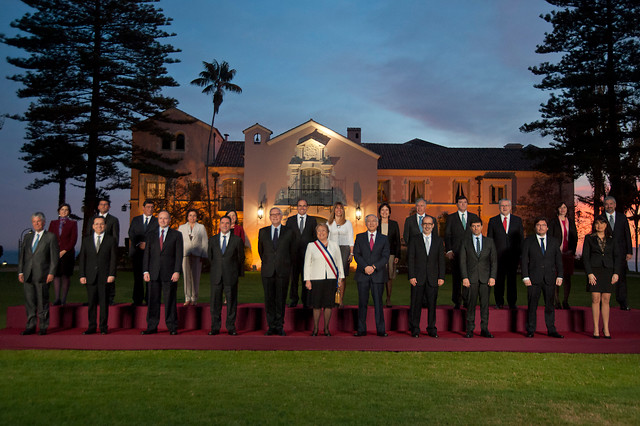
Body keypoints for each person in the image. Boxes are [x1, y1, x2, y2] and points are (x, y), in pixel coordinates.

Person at [141, 210, 183, 335]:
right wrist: (145, 271)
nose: (163, 220)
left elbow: (179, 255)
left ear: (169, 220)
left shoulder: (176, 235)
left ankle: (172, 326)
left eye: (165, 218)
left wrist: (177, 271)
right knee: (153, 300)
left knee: (170, 300)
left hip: (169, 273)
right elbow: (147, 254)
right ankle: (152, 326)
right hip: (153, 272)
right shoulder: (151, 235)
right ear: (157, 220)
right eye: (160, 218)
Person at [521, 217, 564, 338]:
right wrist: (525, 277)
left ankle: (551, 330)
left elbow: (558, 261)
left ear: (547, 227)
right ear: (535, 227)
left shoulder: (554, 242)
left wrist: (560, 275)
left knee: (550, 306)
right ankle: (530, 330)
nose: (541, 227)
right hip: (533, 279)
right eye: (538, 225)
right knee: (532, 306)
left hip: (550, 278)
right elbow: (524, 260)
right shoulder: (528, 241)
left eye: (543, 225)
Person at [18, 212, 59, 335]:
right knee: (30, 302)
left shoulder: (50, 237)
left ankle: (43, 326)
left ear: (43, 222)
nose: (36, 224)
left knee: (42, 302)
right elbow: (23, 256)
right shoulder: (27, 237)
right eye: (34, 222)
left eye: (39, 221)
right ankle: (30, 326)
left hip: (43, 274)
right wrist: (20, 271)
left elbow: (54, 257)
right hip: (27, 274)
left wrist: (51, 273)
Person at [258, 207, 296, 336]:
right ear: (269, 217)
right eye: (272, 215)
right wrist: (269, 262)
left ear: (281, 217)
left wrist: (284, 263)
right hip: (268, 271)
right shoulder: (262, 232)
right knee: (269, 300)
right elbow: (261, 251)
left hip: (282, 270)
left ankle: (279, 326)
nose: (275, 216)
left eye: (277, 214)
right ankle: (271, 326)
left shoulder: (289, 232)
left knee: (280, 299)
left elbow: (292, 252)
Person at [582, 215, 621, 338]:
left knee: (606, 299)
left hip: (608, 271)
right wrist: (589, 273)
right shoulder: (589, 238)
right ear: (594, 225)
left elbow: (617, 257)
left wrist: (616, 273)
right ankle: (596, 329)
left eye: (602, 223)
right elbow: (585, 257)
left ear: (606, 225)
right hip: (594, 271)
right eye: (597, 223)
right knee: (595, 298)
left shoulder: (612, 239)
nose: (599, 226)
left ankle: (606, 328)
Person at [78, 216, 117, 335]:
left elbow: (113, 259)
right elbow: (82, 259)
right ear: (93, 226)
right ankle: (91, 326)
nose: (99, 226)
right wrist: (82, 275)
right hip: (90, 276)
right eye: (97, 224)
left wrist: (111, 274)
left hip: (105, 276)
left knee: (104, 303)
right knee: (91, 303)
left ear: (105, 226)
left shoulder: (111, 240)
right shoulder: (86, 240)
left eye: (101, 224)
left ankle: (103, 327)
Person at [407, 215, 445, 338]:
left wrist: (441, 277)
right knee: (415, 304)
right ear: (421, 225)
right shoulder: (414, 239)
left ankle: (431, 328)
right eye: (425, 224)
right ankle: (415, 328)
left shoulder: (438, 241)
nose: (427, 226)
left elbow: (441, 260)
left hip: (433, 278)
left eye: (430, 224)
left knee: (432, 304)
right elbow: (410, 259)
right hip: (417, 277)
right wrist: (411, 276)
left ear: (433, 226)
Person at [304, 223, 344, 336]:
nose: (321, 233)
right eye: (319, 231)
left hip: (331, 278)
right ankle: (316, 329)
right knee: (316, 305)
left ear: (327, 233)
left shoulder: (334, 245)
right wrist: (307, 279)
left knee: (328, 304)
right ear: (316, 234)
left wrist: (340, 277)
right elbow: (307, 264)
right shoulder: (311, 246)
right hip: (316, 278)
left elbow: (339, 262)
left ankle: (326, 329)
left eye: (324, 231)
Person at [459, 217, 497, 338]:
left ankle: (484, 329)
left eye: (478, 226)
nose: (476, 228)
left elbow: (494, 261)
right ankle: (470, 329)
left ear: (482, 227)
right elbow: (462, 261)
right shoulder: (465, 242)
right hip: (471, 278)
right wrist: (464, 277)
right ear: (470, 228)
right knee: (470, 305)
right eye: (474, 226)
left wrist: (492, 277)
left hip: (486, 279)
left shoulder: (489, 242)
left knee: (485, 305)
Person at [353, 214, 390, 337]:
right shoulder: (359, 237)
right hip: (363, 275)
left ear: (378, 223)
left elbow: (385, 256)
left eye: (374, 221)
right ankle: (361, 329)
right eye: (369, 221)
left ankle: (381, 330)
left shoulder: (384, 239)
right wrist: (365, 267)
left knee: (378, 303)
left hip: (378, 275)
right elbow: (357, 255)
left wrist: (373, 267)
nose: (372, 223)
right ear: (366, 223)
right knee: (362, 302)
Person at [208, 215, 244, 335]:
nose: (224, 225)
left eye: (227, 223)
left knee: (231, 303)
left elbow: (240, 258)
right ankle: (215, 327)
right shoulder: (212, 240)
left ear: (231, 225)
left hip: (231, 276)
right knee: (215, 303)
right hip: (216, 276)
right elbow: (210, 257)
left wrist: (234, 271)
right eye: (222, 223)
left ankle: (231, 327)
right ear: (219, 225)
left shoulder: (237, 240)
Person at [487, 198, 524, 309]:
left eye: (506, 205)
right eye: (502, 205)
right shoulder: (493, 221)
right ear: (499, 207)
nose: (504, 207)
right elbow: (490, 240)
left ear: (510, 207)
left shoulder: (517, 220)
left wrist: (520, 255)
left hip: (513, 256)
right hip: (498, 257)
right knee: (499, 280)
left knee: (512, 281)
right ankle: (499, 302)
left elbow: (521, 239)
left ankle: (512, 303)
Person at [445, 195, 480, 309]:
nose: (463, 204)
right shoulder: (451, 218)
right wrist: (449, 250)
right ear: (457, 204)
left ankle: (467, 300)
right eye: (460, 202)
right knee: (456, 278)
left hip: (470, 254)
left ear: (467, 204)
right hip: (456, 253)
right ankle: (456, 301)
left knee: (469, 277)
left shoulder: (474, 217)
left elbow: (477, 234)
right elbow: (447, 235)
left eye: (465, 202)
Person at [285, 199, 317, 308]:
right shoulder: (290, 221)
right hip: (293, 255)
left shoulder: (312, 221)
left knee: (306, 278)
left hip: (308, 255)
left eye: (304, 206)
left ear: (307, 207)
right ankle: (293, 299)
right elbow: (287, 238)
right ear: (297, 207)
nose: (302, 208)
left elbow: (315, 238)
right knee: (293, 279)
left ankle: (306, 300)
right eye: (300, 206)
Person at [603, 196, 633, 310]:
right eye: (606, 204)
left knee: (621, 278)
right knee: (606, 277)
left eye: (611, 204)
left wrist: (629, 251)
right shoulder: (600, 218)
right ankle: (604, 302)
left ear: (614, 205)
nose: (609, 206)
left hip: (620, 253)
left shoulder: (622, 218)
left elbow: (627, 235)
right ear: (604, 205)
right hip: (605, 253)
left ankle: (622, 301)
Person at [128, 199, 158, 306]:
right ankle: (137, 300)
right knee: (137, 278)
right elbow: (131, 233)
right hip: (137, 253)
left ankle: (149, 299)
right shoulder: (136, 220)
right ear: (143, 208)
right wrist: (139, 243)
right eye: (148, 207)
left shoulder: (157, 221)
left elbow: (157, 236)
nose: (150, 209)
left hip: (151, 254)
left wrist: (147, 244)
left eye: (152, 207)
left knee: (150, 278)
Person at [548, 201, 578, 309]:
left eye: (564, 207)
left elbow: (575, 237)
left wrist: (572, 250)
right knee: (556, 277)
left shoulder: (570, 222)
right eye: (560, 207)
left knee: (567, 277)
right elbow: (550, 237)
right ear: (557, 209)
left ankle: (566, 301)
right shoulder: (553, 222)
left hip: (568, 253)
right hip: (556, 254)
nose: (562, 209)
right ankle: (557, 301)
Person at [48, 203, 78, 305]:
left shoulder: (73, 223)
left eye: (66, 210)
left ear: (69, 212)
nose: (64, 211)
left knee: (65, 275)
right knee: (56, 275)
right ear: (59, 211)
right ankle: (57, 299)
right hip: (55, 252)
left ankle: (64, 299)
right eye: (62, 209)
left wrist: (64, 251)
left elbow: (73, 239)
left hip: (67, 253)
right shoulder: (53, 223)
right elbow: (50, 237)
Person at [92, 198, 120, 305]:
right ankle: (94, 297)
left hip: (108, 251)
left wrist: (112, 250)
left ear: (109, 207)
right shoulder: (92, 219)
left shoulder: (113, 220)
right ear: (98, 206)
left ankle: (110, 297)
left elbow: (115, 237)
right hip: (94, 251)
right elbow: (89, 235)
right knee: (94, 274)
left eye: (106, 204)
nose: (103, 206)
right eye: (101, 204)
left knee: (109, 274)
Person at [178, 209, 208, 306]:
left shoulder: (201, 227)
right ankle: (187, 298)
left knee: (196, 277)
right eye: (190, 215)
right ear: (187, 217)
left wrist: (203, 255)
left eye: (194, 215)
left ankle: (194, 298)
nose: (192, 217)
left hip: (197, 255)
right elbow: (179, 242)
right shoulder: (181, 227)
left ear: (197, 217)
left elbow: (204, 242)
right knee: (186, 277)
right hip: (185, 254)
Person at [327, 202, 354, 307]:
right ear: (334, 210)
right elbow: (326, 238)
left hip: (344, 249)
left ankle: (340, 300)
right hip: (332, 249)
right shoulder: (329, 223)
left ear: (343, 211)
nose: (338, 210)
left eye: (341, 208)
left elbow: (351, 238)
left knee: (341, 276)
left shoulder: (347, 223)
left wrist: (351, 253)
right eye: (336, 208)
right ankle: (333, 299)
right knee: (332, 274)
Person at [377, 203, 400, 308]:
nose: (384, 212)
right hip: (378, 254)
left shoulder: (394, 224)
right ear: (380, 212)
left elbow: (397, 241)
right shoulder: (376, 223)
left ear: (389, 212)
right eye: (382, 210)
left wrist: (397, 255)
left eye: (386, 210)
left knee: (389, 276)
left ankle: (388, 298)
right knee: (379, 276)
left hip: (390, 253)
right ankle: (379, 299)